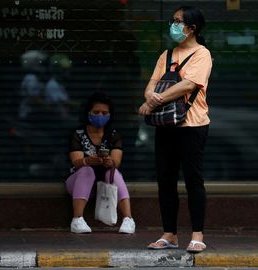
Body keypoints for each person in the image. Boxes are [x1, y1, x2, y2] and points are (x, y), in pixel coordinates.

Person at [138, 6, 213, 253]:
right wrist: (150, 95)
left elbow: (188, 85)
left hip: (192, 125)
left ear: (192, 28)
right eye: (174, 20)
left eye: (179, 22)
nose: (174, 25)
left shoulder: (202, 54)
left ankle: (197, 235)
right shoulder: (166, 55)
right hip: (167, 125)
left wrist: (153, 101)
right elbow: (152, 83)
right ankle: (169, 234)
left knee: (193, 180)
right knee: (165, 179)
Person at [65, 91, 136, 234]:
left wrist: (109, 162)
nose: (100, 116)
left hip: (105, 185)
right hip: (80, 184)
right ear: (88, 113)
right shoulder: (78, 134)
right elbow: (76, 161)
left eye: (104, 113)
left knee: (113, 172)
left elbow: (117, 161)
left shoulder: (113, 135)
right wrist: (87, 161)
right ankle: (77, 219)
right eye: (96, 112)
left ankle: (128, 219)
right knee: (86, 170)